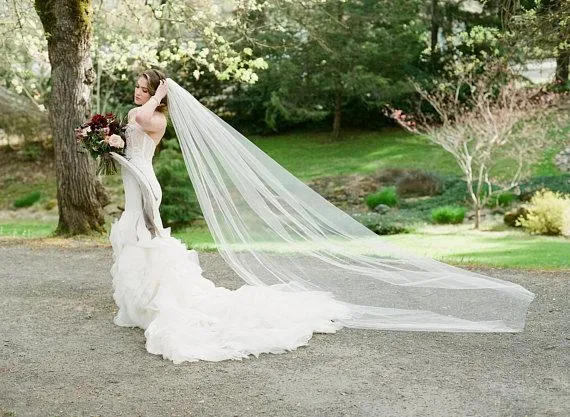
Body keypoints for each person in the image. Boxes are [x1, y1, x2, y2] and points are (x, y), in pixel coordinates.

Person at [109, 69, 535, 364]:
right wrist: (105, 140)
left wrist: (163, 93)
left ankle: (156, 297)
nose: (137, 93)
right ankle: (140, 301)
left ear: (156, 93)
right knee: (133, 235)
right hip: (133, 175)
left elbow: (142, 121)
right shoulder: (140, 114)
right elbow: (128, 137)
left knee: (148, 237)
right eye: (138, 89)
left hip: (145, 182)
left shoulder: (155, 116)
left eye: (143, 88)